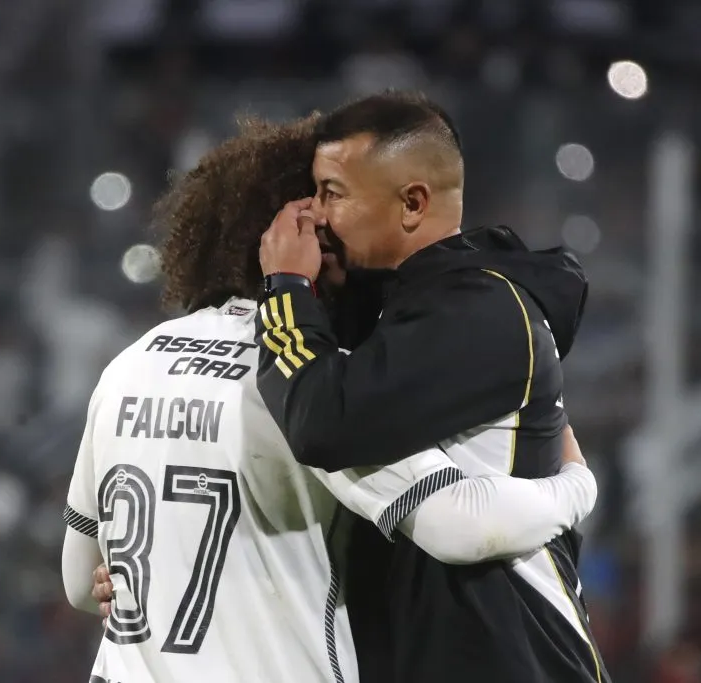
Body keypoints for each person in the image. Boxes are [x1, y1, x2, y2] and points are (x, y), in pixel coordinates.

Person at [61, 112, 600, 683]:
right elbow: (459, 525)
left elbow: (80, 581)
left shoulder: (131, 363)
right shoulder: (300, 380)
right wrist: (575, 488)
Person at [256, 90, 606, 682]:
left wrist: (286, 286)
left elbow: (322, 421)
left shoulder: (482, 309)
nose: (313, 214)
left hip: (515, 661)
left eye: (332, 193)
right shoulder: (412, 309)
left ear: (413, 203)